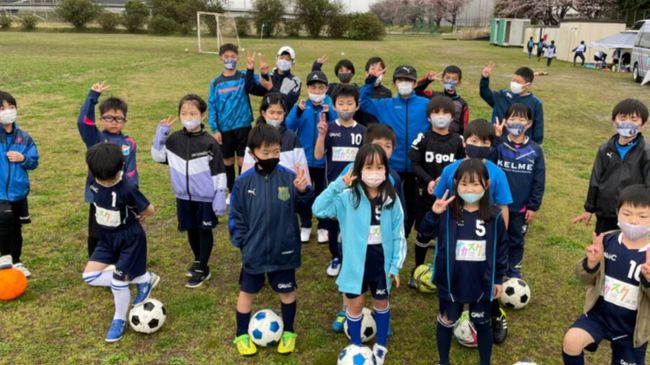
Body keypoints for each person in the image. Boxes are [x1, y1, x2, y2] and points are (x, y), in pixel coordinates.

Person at [313, 144, 407, 365]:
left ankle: (381, 343)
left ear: (385, 169)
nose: (374, 172)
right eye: (368, 166)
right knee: (355, 305)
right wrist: (338, 185)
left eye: (379, 167)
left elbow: (398, 234)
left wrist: (395, 266)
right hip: (355, 264)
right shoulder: (347, 197)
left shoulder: (391, 198)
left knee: (381, 303)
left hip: (380, 264)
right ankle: (355, 343)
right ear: (358, 169)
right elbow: (318, 209)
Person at [229, 124, 313, 356]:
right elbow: (236, 216)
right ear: (253, 152)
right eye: (265, 153)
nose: (271, 157)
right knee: (247, 293)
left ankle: (289, 332)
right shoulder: (243, 182)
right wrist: (242, 242)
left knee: (287, 293)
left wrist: (304, 191)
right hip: (254, 251)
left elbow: (305, 208)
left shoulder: (289, 177)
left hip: (283, 250)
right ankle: (241, 334)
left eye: (276, 152)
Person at [420, 158, 507, 365]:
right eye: (464, 183)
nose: (470, 188)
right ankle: (443, 361)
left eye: (475, 183)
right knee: (447, 320)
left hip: (481, 280)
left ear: (486, 185)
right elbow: (424, 232)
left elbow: (502, 248)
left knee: (482, 323)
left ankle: (485, 361)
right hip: (452, 280)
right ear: (456, 184)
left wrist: (498, 279)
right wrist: (433, 213)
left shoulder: (494, 216)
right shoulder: (446, 212)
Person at [433, 119, 513, 343]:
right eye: (474, 141)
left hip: (484, 238)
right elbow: (440, 200)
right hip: (456, 236)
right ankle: (451, 312)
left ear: (492, 145)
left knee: (486, 277)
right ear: (465, 141)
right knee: (456, 274)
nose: (479, 145)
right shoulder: (451, 169)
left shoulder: (497, 173)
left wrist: (500, 236)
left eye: (485, 142)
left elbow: (503, 206)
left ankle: (493, 314)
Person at [563, 184, 650, 365]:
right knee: (571, 341)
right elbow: (583, 277)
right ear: (617, 213)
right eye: (627, 214)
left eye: (643, 216)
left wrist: (648, 280)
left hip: (632, 329)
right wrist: (591, 263)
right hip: (600, 316)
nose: (633, 221)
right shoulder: (607, 240)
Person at [82, 143, 158, 342]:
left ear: (121, 167)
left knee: (117, 283)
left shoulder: (128, 187)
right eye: (101, 179)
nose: (105, 183)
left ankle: (119, 320)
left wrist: (139, 214)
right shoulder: (94, 178)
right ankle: (143, 279)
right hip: (106, 238)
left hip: (129, 239)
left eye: (110, 179)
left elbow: (150, 210)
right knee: (89, 276)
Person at [151, 95, 227, 288]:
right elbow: (158, 157)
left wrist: (219, 196)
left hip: (205, 198)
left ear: (202, 115)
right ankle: (197, 260)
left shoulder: (209, 143)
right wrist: (161, 134)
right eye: (184, 113)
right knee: (191, 230)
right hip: (183, 196)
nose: (188, 117)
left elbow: (219, 171)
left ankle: (203, 267)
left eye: (193, 113)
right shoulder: (174, 139)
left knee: (204, 230)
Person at [360, 63, 430, 240]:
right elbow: (363, 102)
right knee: (391, 201)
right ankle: (393, 233)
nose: (404, 83)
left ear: (415, 84)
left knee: (413, 205)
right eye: (400, 80)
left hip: (417, 167)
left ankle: (406, 232)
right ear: (394, 83)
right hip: (392, 166)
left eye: (409, 80)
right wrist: (370, 81)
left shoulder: (425, 105)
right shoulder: (385, 105)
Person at [407, 95, 465, 288]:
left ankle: (444, 272)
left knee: (447, 235)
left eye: (445, 113)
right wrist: (428, 180)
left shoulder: (458, 140)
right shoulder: (422, 137)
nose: (441, 117)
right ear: (429, 117)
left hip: (450, 199)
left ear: (452, 117)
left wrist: (452, 181)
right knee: (423, 233)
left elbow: (463, 166)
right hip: (425, 195)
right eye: (436, 113)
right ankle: (418, 269)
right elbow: (414, 162)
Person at [77, 81, 138, 259]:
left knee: (119, 228)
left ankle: (119, 260)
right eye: (109, 118)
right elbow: (83, 121)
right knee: (97, 231)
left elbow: (132, 171)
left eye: (118, 118)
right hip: (98, 195)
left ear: (125, 121)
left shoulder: (129, 143)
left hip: (120, 196)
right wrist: (92, 97)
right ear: (102, 119)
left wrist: (132, 196)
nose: (113, 122)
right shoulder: (95, 137)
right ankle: (96, 261)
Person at [572, 99, 650, 234]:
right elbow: (595, 179)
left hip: (632, 215)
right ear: (614, 121)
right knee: (602, 246)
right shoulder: (605, 149)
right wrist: (589, 208)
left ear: (643, 125)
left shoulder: (646, 152)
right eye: (623, 118)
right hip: (606, 212)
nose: (627, 123)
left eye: (634, 119)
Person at [314, 84, 366, 276]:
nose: (345, 107)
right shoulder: (329, 129)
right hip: (335, 188)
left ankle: (354, 257)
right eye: (341, 104)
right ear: (334, 106)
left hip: (356, 189)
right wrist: (321, 135)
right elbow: (318, 155)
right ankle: (336, 257)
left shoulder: (363, 131)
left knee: (354, 224)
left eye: (349, 103)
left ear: (357, 106)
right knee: (334, 225)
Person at [490, 103, 545, 278]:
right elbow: (488, 165)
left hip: (520, 207)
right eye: (512, 118)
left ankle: (513, 268)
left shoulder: (535, 150)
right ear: (505, 122)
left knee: (516, 239)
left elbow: (539, 180)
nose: (516, 122)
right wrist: (496, 139)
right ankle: (493, 265)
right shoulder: (498, 146)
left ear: (529, 124)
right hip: (496, 205)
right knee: (495, 236)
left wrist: (533, 206)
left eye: (521, 119)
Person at [286, 71, 338, 243]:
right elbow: (289, 125)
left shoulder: (331, 106)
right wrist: (298, 112)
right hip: (304, 160)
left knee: (324, 193)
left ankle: (323, 226)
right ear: (308, 88)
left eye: (321, 87)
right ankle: (306, 224)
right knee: (304, 193)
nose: (317, 91)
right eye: (313, 87)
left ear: (326, 88)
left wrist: (330, 113)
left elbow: (337, 126)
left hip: (324, 161)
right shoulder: (301, 106)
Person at [207, 43, 260, 198]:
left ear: (238, 58)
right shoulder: (216, 83)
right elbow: (212, 105)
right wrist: (215, 129)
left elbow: (263, 82)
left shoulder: (244, 77)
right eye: (226, 56)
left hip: (243, 127)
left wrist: (261, 70)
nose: (230, 59)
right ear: (220, 59)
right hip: (224, 129)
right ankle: (231, 191)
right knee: (228, 161)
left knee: (244, 161)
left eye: (233, 56)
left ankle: (244, 190)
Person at [0, 91, 39, 278]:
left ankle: (16, 260)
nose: (7, 111)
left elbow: (34, 161)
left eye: (11, 107)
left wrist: (23, 158)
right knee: (4, 221)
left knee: (16, 227)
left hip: (18, 192)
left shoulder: (24, 138)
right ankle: (5, 258)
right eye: (2, 108)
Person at [240, 93, 310, 185]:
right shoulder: (255, 136)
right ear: (263, 113)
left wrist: (305, 189)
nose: (276, 117)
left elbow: (302, 168)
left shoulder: (292, 138)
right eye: (272, 112)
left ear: (284, 114)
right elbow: (247, 169)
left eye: (279, 113)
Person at [480, 63, 544, 144]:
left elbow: (538, 128)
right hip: (499, 140)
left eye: (518, 82)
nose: (514, 83)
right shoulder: (502, 95)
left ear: (528, 85)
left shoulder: (536, 103)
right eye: (513, 80)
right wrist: (484, 79)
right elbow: (485, 94)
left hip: (521, 144)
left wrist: (535, 146)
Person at [414, 65, 470, 135]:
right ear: (442, 81)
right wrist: (427, 80)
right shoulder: (433, 96)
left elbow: (464, 127)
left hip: (453, 140)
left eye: (454, 79)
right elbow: (414, 91)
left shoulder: (462, 104)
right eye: (447, 78)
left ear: (459, 83)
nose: (450, 81)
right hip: (432, 137)